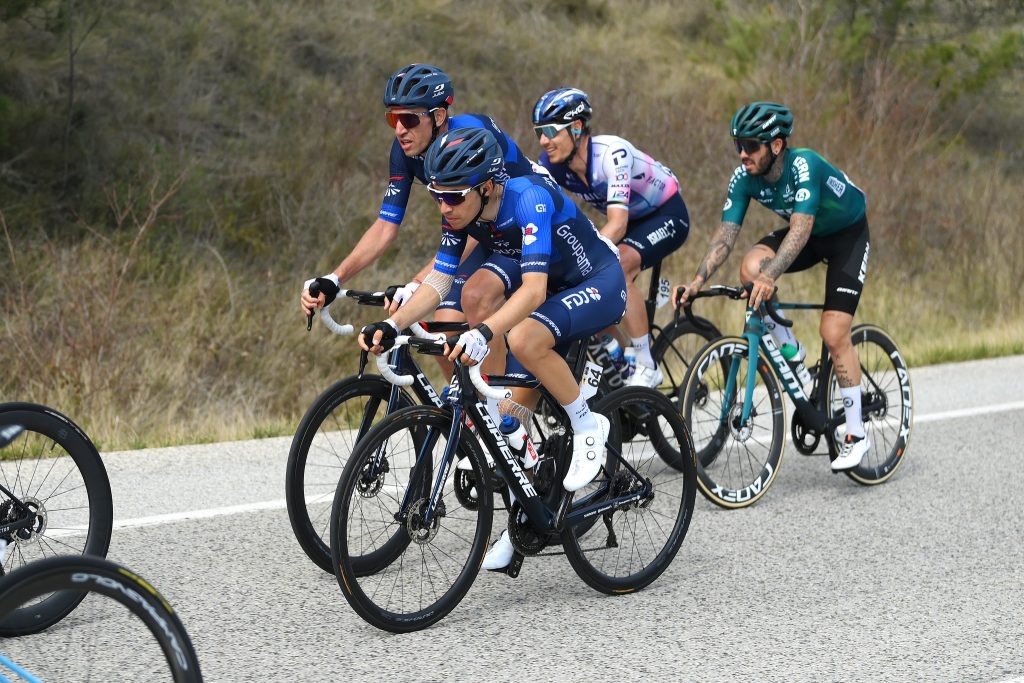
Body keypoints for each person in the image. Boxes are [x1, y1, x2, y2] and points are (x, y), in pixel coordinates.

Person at [358, 127, 626, 568]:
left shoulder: (528, 198)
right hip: (556, 286)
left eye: (453, 197)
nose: (444, 207)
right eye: (437, 197)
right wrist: (393, 323)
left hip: (597, 281)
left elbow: (535, 291)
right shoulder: (463, 208)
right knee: (507, 424)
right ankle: (528, 519)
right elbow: (440, 281)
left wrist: (483, 334)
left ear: (485, 186)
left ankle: (586, 424)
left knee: (523, 337)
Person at [300, 63, 535, 376]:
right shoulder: (404, 151)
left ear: (438, 116)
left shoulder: (472, 138)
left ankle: (502, 410)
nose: (399, 130)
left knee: (476, 297)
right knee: (439, 324)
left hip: (519, 228)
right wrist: (336, 277)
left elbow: (480, 223)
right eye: (393, 119)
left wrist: (416, 283)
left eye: (409, 119)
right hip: (480, 230)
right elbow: (385, 226)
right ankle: (467, 416)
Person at [673, 101, 872, 471]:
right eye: (738, 145)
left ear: (776, 146)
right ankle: (792, 351)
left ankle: (857, 434)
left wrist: (772, 276)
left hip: (846, 236)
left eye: (751, 145)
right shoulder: (743, 176)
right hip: (808, 233)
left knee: (833, 331)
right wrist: (699, 279)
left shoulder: (803, 165)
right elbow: (726, 236)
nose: (743, 154)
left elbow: (800, 230)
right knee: (749, 268)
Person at [533, 87, 689, 387]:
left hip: (666, 214)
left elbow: (617, 223)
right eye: (540, 132)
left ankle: (646, 364)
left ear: (577, 127)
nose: (543, 140)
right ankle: (621, 357)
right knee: (577, 281)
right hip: (631, 221)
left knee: (619, 264)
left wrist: (588, 257)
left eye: (551, 131)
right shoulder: (553, 165)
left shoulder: (611, 154)